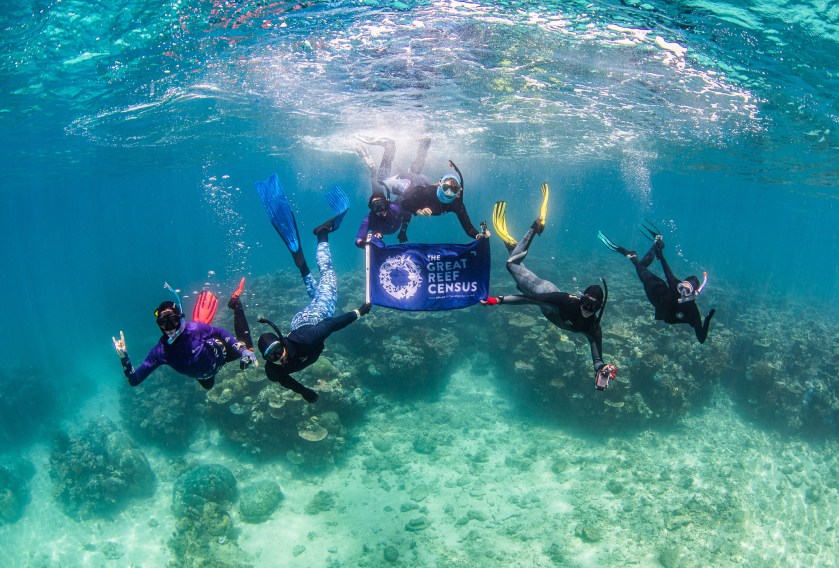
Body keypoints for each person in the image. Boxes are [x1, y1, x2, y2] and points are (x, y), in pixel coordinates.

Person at [483, 183, 618, 390]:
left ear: (600, 307)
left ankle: (513, 245)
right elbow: (528, 299)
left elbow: (597, 357)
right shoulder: (564, 300)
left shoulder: (593, 328)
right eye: (586, 302)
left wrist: (601, 370)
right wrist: (498, 300)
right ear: (580, 297)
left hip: (544, 306)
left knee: (517, 269)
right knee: (512, 266)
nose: (587, 309)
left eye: (593, 307)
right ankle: (535, 227)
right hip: (543, 291)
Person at [255, 175, 371, 403]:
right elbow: (284, 379)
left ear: (281, 342)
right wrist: (303, 391)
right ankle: (303, 269)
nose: (279, 358)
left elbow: (332, 324)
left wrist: (358, 312)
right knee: (317, 296)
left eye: (278, 351)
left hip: (315, 320)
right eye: (273, 357)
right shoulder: (273, 370)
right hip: (300, 321)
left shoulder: (308, 339)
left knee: (328, 277)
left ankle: (322, 235)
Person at [112, 282, 259, 390]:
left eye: (173, 320)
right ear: (159, 325)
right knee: (208, 386)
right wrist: (124, 358)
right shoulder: (160, 352)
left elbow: (221, 333)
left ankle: (236, 304)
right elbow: (135, 380)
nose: (169, 327)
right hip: (205, 375)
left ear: (180, 319)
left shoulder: (195, 328)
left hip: (222, 353)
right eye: (164, 323)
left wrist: (243, 350)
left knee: (246, 344)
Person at [597, 221, 715, 343]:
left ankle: (647, 248)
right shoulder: (677, 289)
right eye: (682, 287)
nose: (682, 291)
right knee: (641, 268)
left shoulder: (693, 312)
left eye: (687, 290)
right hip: (657, 292)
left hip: (658, 299)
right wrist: (661, 256)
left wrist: (707, 320)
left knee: (641, 267)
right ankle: (651, 247)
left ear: (694, 293)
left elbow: (701, 339)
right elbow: (668, 272)